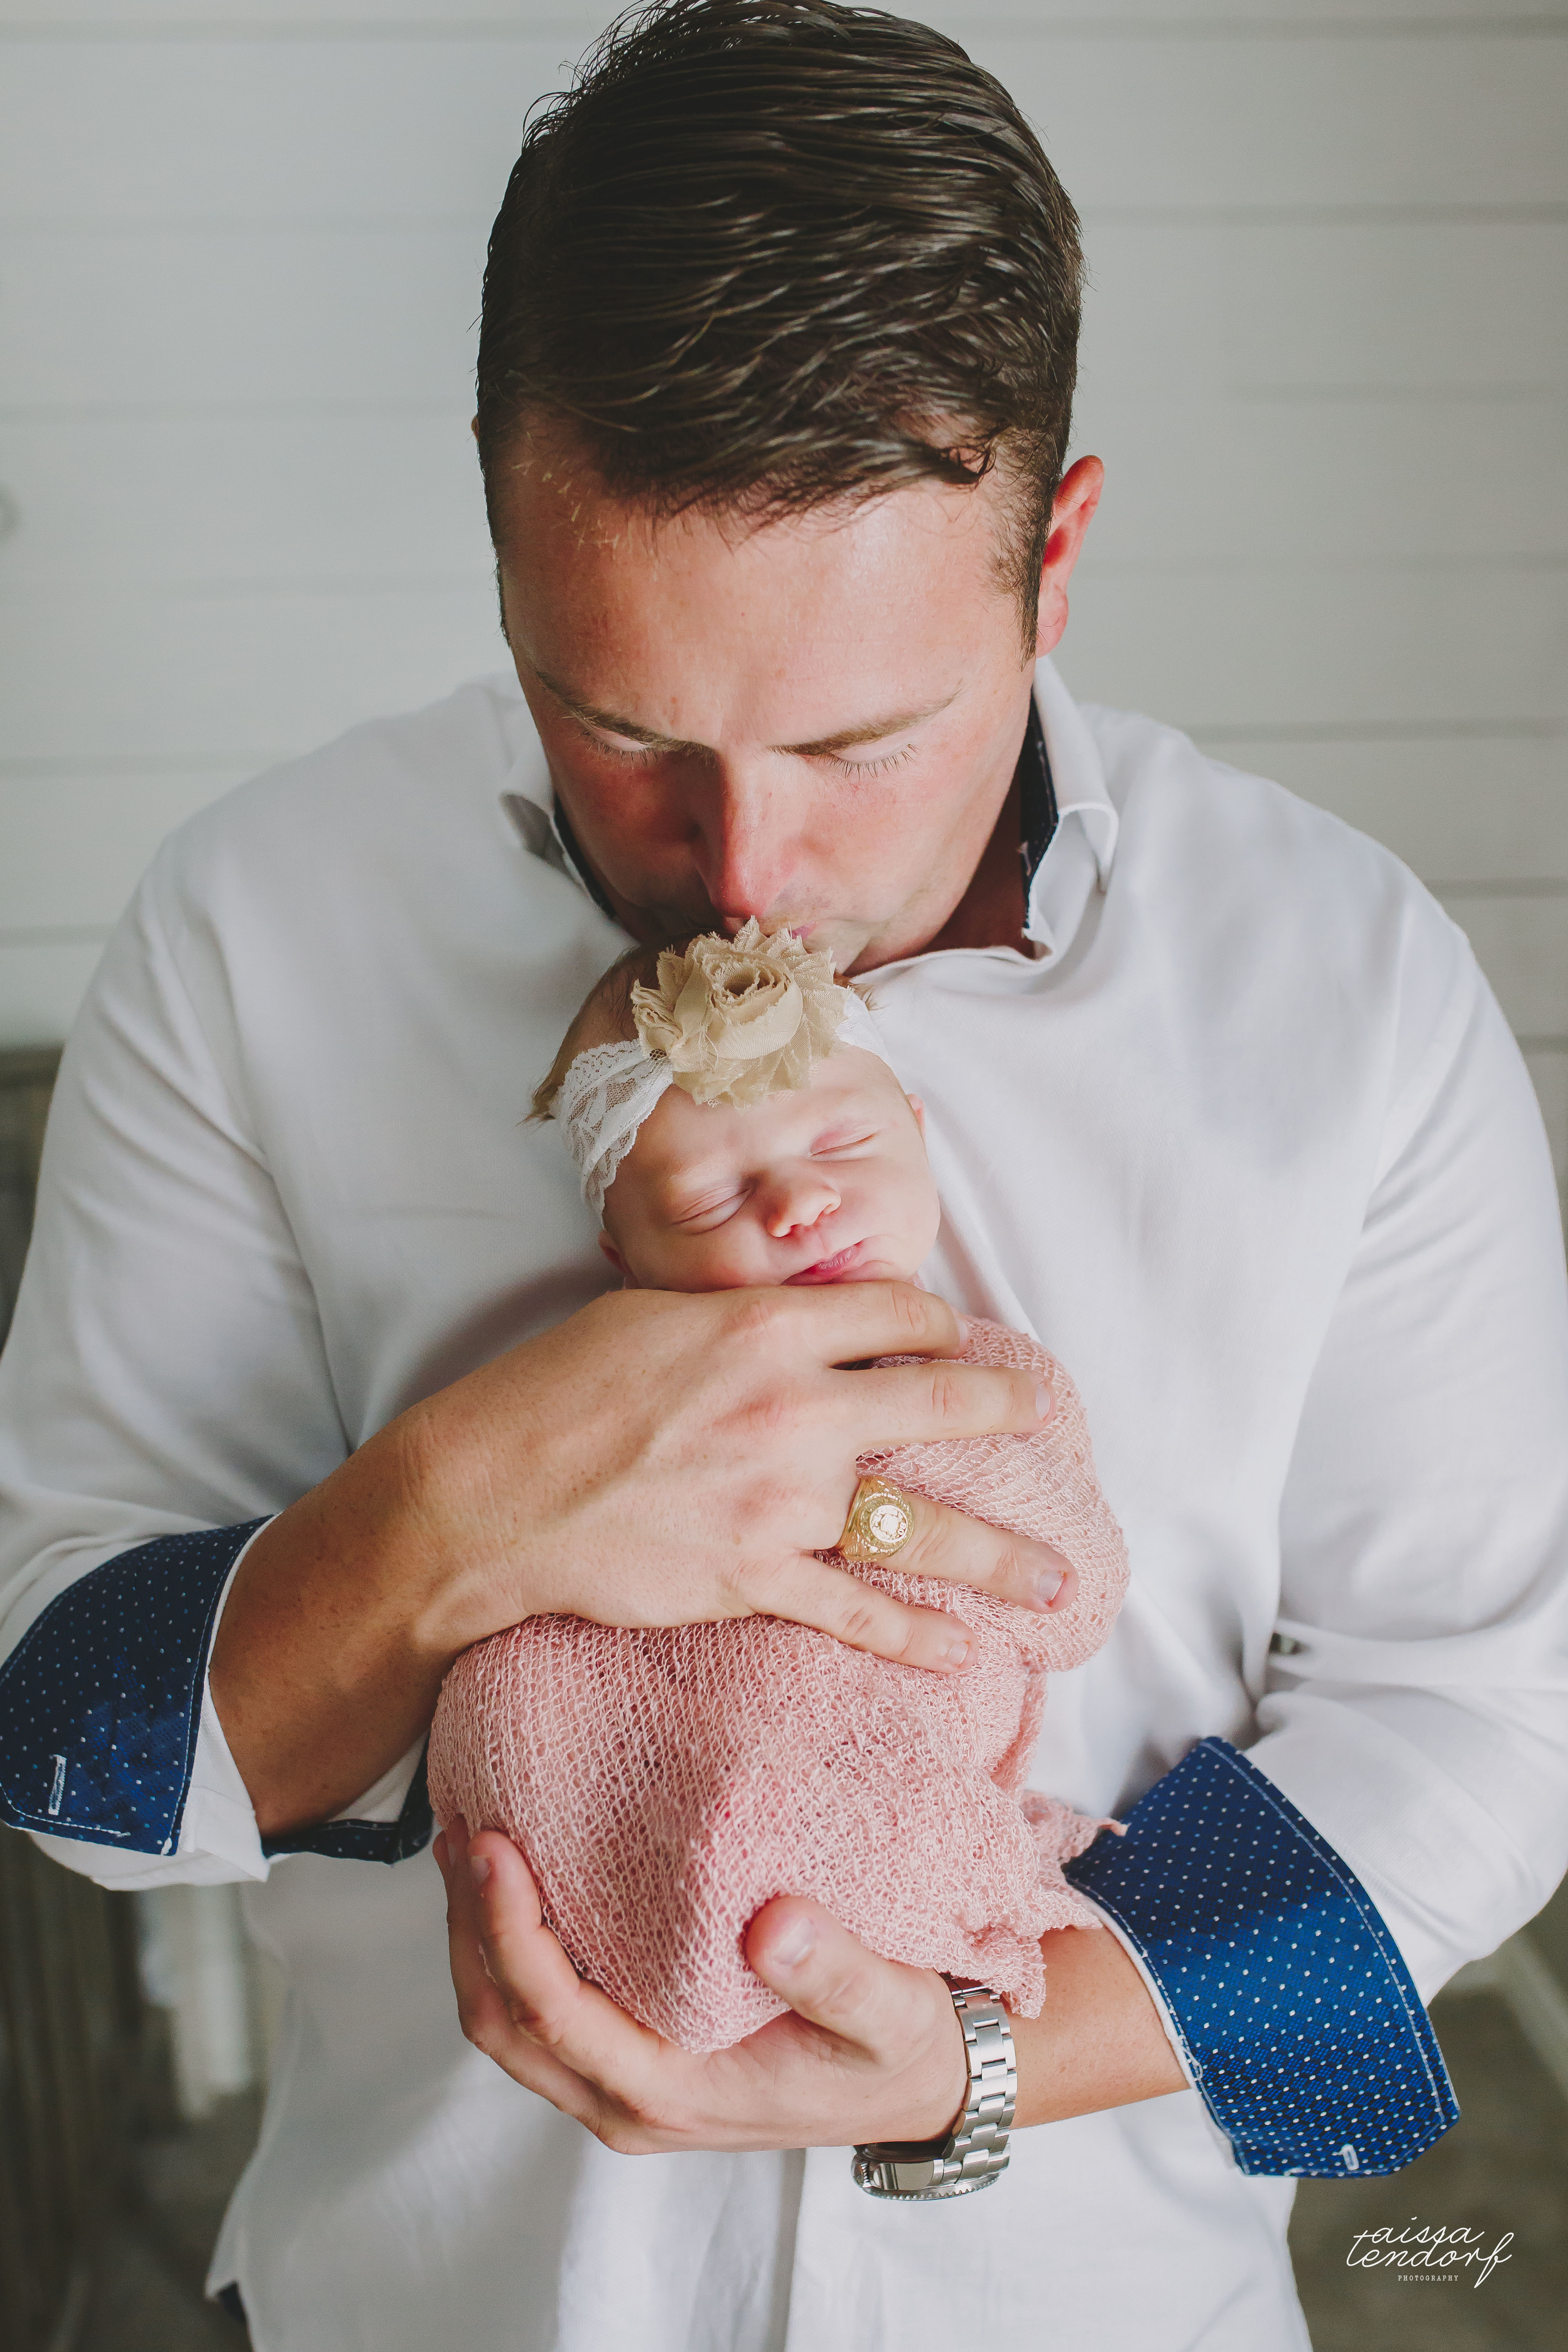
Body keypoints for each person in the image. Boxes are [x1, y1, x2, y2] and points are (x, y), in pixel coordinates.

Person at [1, 2, 1564, 2346]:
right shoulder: (258, 929)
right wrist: (465, 1507)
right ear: (497, 522)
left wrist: (982, 2052)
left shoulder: (1343, 985)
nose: (743, 870)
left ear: (1055, 555)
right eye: (618, 725)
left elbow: (1477, 1723)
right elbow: (61, 1739)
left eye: (859, 741)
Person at [426, 923, 1128, 2052]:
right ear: (626, 1260)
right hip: (626, 1773)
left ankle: (868, 1901)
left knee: (845, 1814)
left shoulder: (988, 1381)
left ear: (916, 1133)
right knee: (511, 1701)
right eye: (711, 1201)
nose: (799, 1204)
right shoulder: (592, 1399)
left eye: (843, 1143)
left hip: (856, 1772)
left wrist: (902, 1492)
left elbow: (1073, 1601)